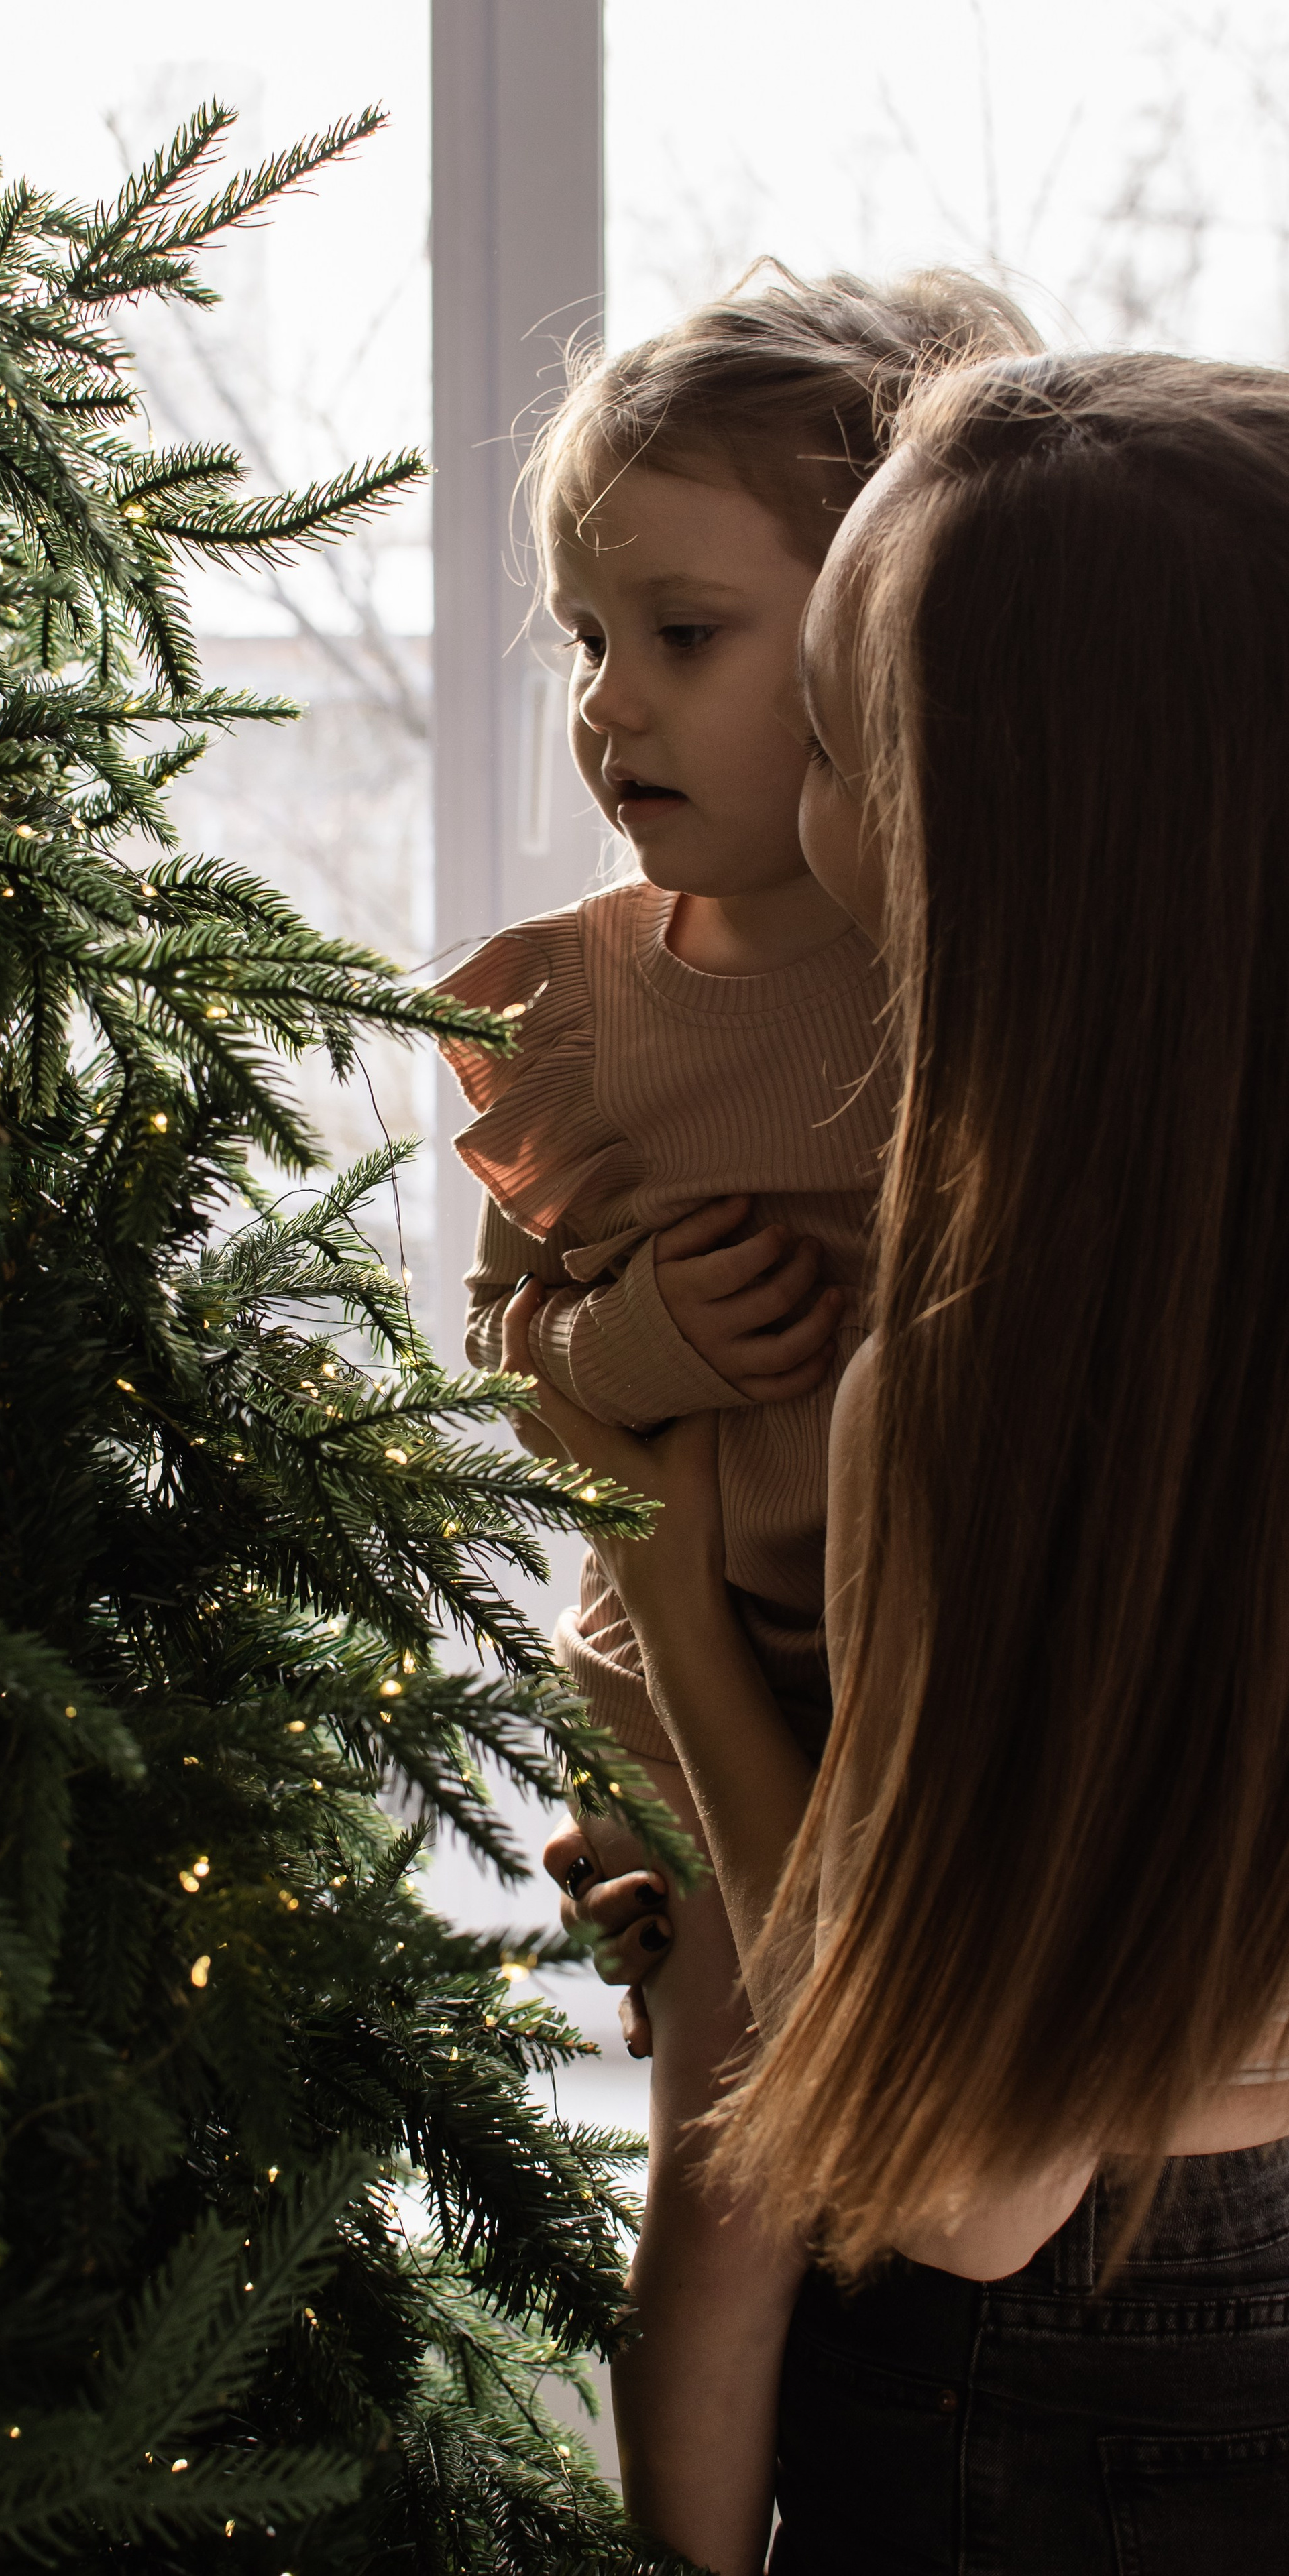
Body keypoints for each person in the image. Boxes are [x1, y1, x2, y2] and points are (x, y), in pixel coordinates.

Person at [528, 350, 1289, 2573]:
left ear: (1018, 846)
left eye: (850, 751)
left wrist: (664, 1587)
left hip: (1046, 2391)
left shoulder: (974, 1383)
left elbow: (960, 2180)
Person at [434, 269, 1039, 2565]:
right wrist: (645, 1358)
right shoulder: (576, 1010)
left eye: (682, 635)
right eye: (590, 642)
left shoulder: (980, 965)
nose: (612, 707)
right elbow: (510, 1367)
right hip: (692, 1697)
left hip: (949, 1689)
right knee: (729, 2162)